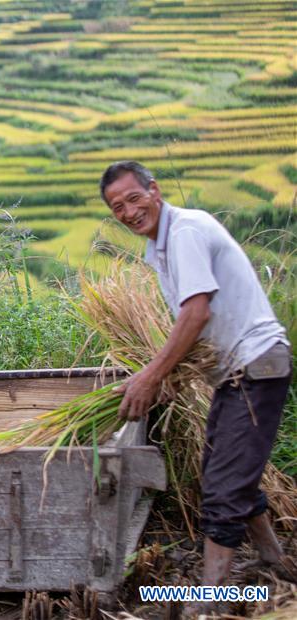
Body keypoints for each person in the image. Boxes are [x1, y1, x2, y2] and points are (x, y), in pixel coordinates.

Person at [99, 161, 293, 612]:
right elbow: (199, 323)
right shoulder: (163, 246)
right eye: (117, 207)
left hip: (255, 366)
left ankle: (208, 602)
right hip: (237, 372)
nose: (128, 211)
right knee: (225, 472)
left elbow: (196, 313)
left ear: (155, 190)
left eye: (133, 198)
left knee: (223, 486)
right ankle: (275, 562)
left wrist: (153, 374)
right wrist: (167, 374)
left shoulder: (184, 231)